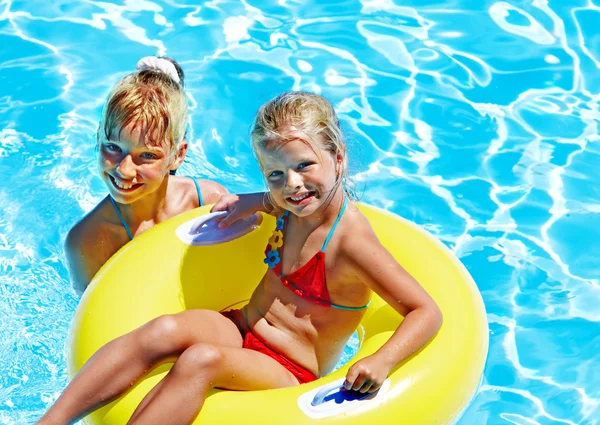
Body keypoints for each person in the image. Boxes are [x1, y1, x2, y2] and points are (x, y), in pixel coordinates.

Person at [39, 91, 442, 425]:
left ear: (338, 157)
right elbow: (278, 199)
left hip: (289, 370)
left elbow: (425, 311)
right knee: (163, 330)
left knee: (201, 360)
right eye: (275, 175)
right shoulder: (288, 205)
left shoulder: (351, 241)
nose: (293, 184)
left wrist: (382, 360)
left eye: (305, 166)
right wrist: (256, 200)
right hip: (242, 327)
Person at [65, 56, 226, 294]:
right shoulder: (88, 241)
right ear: (98, 136)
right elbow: (91, 320)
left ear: (178, 155)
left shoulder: (209, 201)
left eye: (148, 156)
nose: (124, 170)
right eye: (113, 147)